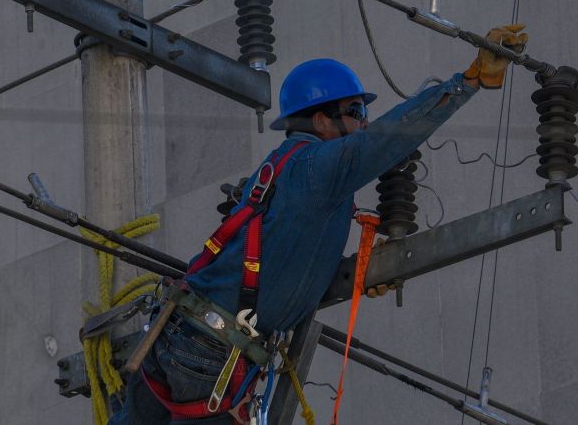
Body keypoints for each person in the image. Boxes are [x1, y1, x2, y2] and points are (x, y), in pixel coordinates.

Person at [111, 24, 528, 424]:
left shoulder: (284, 170)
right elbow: (388, 137)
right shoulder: (318, 169)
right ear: (322, 121)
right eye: (356, 110)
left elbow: (283, 265)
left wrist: (356, 272)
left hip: (177, 333)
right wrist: (469, 80)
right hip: (212, 353)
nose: (363, 121)